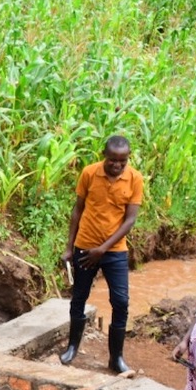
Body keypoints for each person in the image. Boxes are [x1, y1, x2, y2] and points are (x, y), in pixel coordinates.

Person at [59, 135, 144, 374]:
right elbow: (77, 210)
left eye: (122, 161)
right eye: (113, 160)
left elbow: (130, 220)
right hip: (85, 247)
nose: (117, 165)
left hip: (114, 251)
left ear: (128, 158)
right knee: (79, 297)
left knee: (121, 302)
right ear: (104, 155)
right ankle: (72, 347)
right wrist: (69, 247)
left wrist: (103, 249)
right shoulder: (89, 173)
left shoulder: (135, 179)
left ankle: (116, 358)